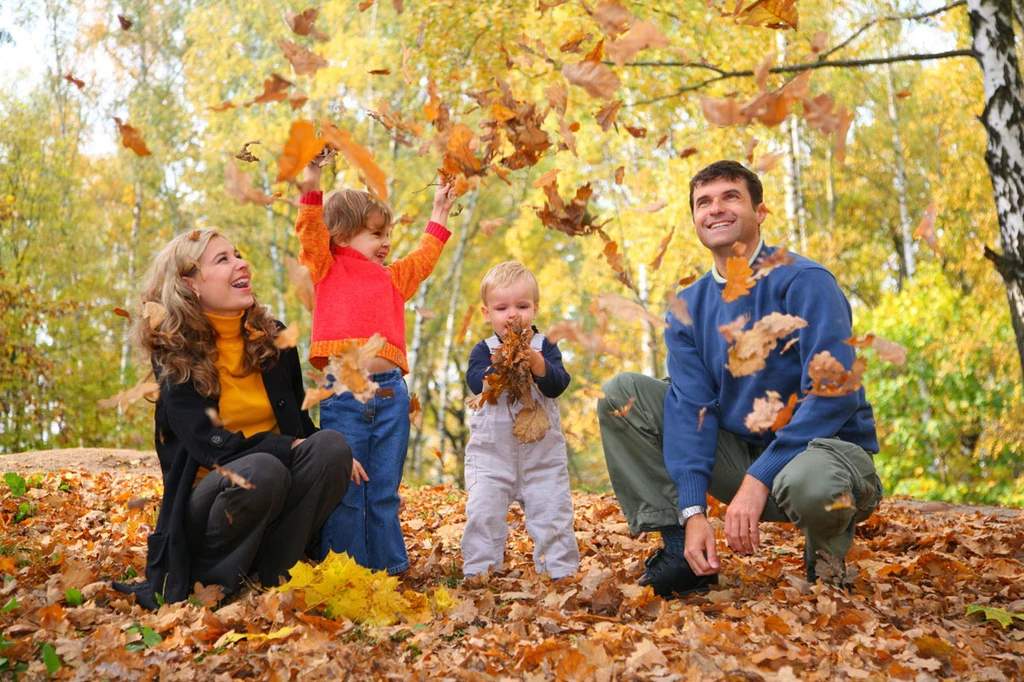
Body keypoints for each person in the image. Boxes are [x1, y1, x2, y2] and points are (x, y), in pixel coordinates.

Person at [597, 160, 883, 598]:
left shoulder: (805, 281)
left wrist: (759, 477)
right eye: (703, 202)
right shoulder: (688, 308)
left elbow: (834, 392)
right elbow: (691, 410)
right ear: (694, 218)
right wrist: (693, 510)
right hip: (741, 454)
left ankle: (826, 569)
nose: (716, 209)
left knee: (813, 483)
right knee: (624, 394)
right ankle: (683, 555)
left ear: (760, 211)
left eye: (730, 196)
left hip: (826, 457)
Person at [113, 228, 353, 610]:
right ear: (190, 283)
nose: (241, 263)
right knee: (260, 468)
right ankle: (213, 586)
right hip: (211, 500)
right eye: (222, 259)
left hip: (274, 479)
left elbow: (297, 425)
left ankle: (274, 575)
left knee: (332, 446)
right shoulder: (174, 354)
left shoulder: (273, 338)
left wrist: (334, 461)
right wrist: (284, 446)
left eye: (238, 254)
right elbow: (210, 445)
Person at [295, 160, 456, 574]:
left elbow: (425, 257)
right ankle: (347, 571)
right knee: (349, 486)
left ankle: (389, 570)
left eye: (388, 234)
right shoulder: (326, 267)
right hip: (344, 394)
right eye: (377, 234)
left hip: (390, 396)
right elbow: (310, 228)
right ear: (343, 234)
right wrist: (311, 180)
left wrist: (439, 210)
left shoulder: (391, 278)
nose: (386, 242)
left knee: (383, 489)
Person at [461, 261, 579, 579]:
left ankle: (561, 574)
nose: (512, 315)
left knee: (554, 517)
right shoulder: (483, 350)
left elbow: (557, 384)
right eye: (502, 308)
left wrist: (538, 365)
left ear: (535, 309)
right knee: (483, 515)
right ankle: (479, 575)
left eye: (522, 306)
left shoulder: (545, 348)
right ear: (487, 314)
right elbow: (476, 381)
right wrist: (498, 367)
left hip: (543, 460)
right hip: (491, 458)